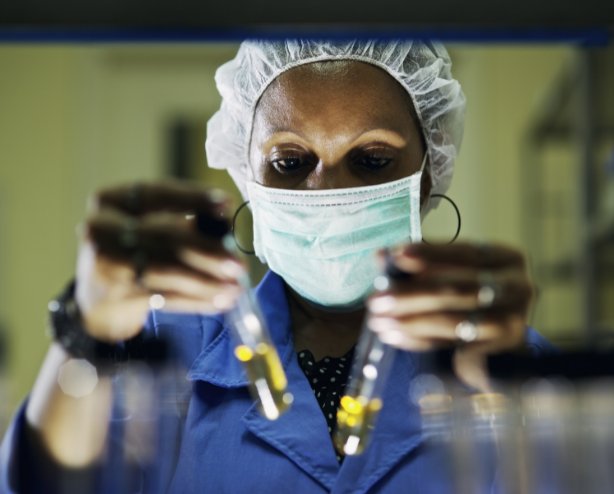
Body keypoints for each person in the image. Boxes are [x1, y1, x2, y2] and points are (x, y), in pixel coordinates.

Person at [0, 39, 557, 494]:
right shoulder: (168, 347)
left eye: (372, 159)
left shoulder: (506, 360)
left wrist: (522, 392)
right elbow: (45, 483)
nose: (328, 190)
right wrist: (85, 329)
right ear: (250, 182)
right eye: (290, 162)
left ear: (428, 174)